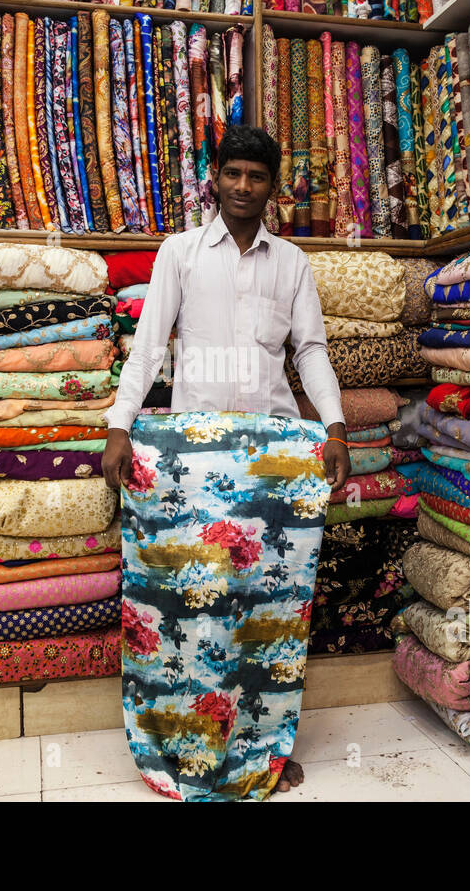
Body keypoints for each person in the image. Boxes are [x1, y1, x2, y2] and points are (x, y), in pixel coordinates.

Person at [103, 125, 349, 796]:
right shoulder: (180, 254)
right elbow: (150, 343)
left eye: (257, 176)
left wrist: (333, 426)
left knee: (267, 606)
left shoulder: (292, 264)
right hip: (195, 461)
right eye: (233, 173)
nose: (244, 187)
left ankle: (264, 744)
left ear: (274, 186)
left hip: (270, 461)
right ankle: (184, 741)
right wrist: (120, 425)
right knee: (195, 607)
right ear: (213, 177)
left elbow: (310, 353)